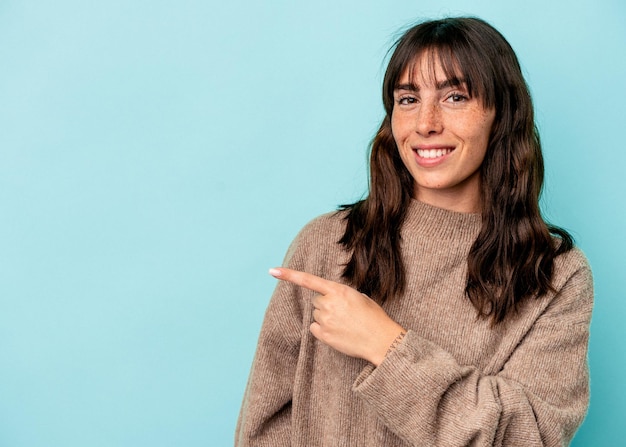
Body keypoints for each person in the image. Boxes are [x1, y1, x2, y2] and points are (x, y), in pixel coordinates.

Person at [235, 17, 593, 447]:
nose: (426, 122)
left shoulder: (556, 274)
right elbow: (263, 427)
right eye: (408, 99)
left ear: (502, 115)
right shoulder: (325, 246)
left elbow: (527, 437)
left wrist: (386, 346)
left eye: (455, 96)